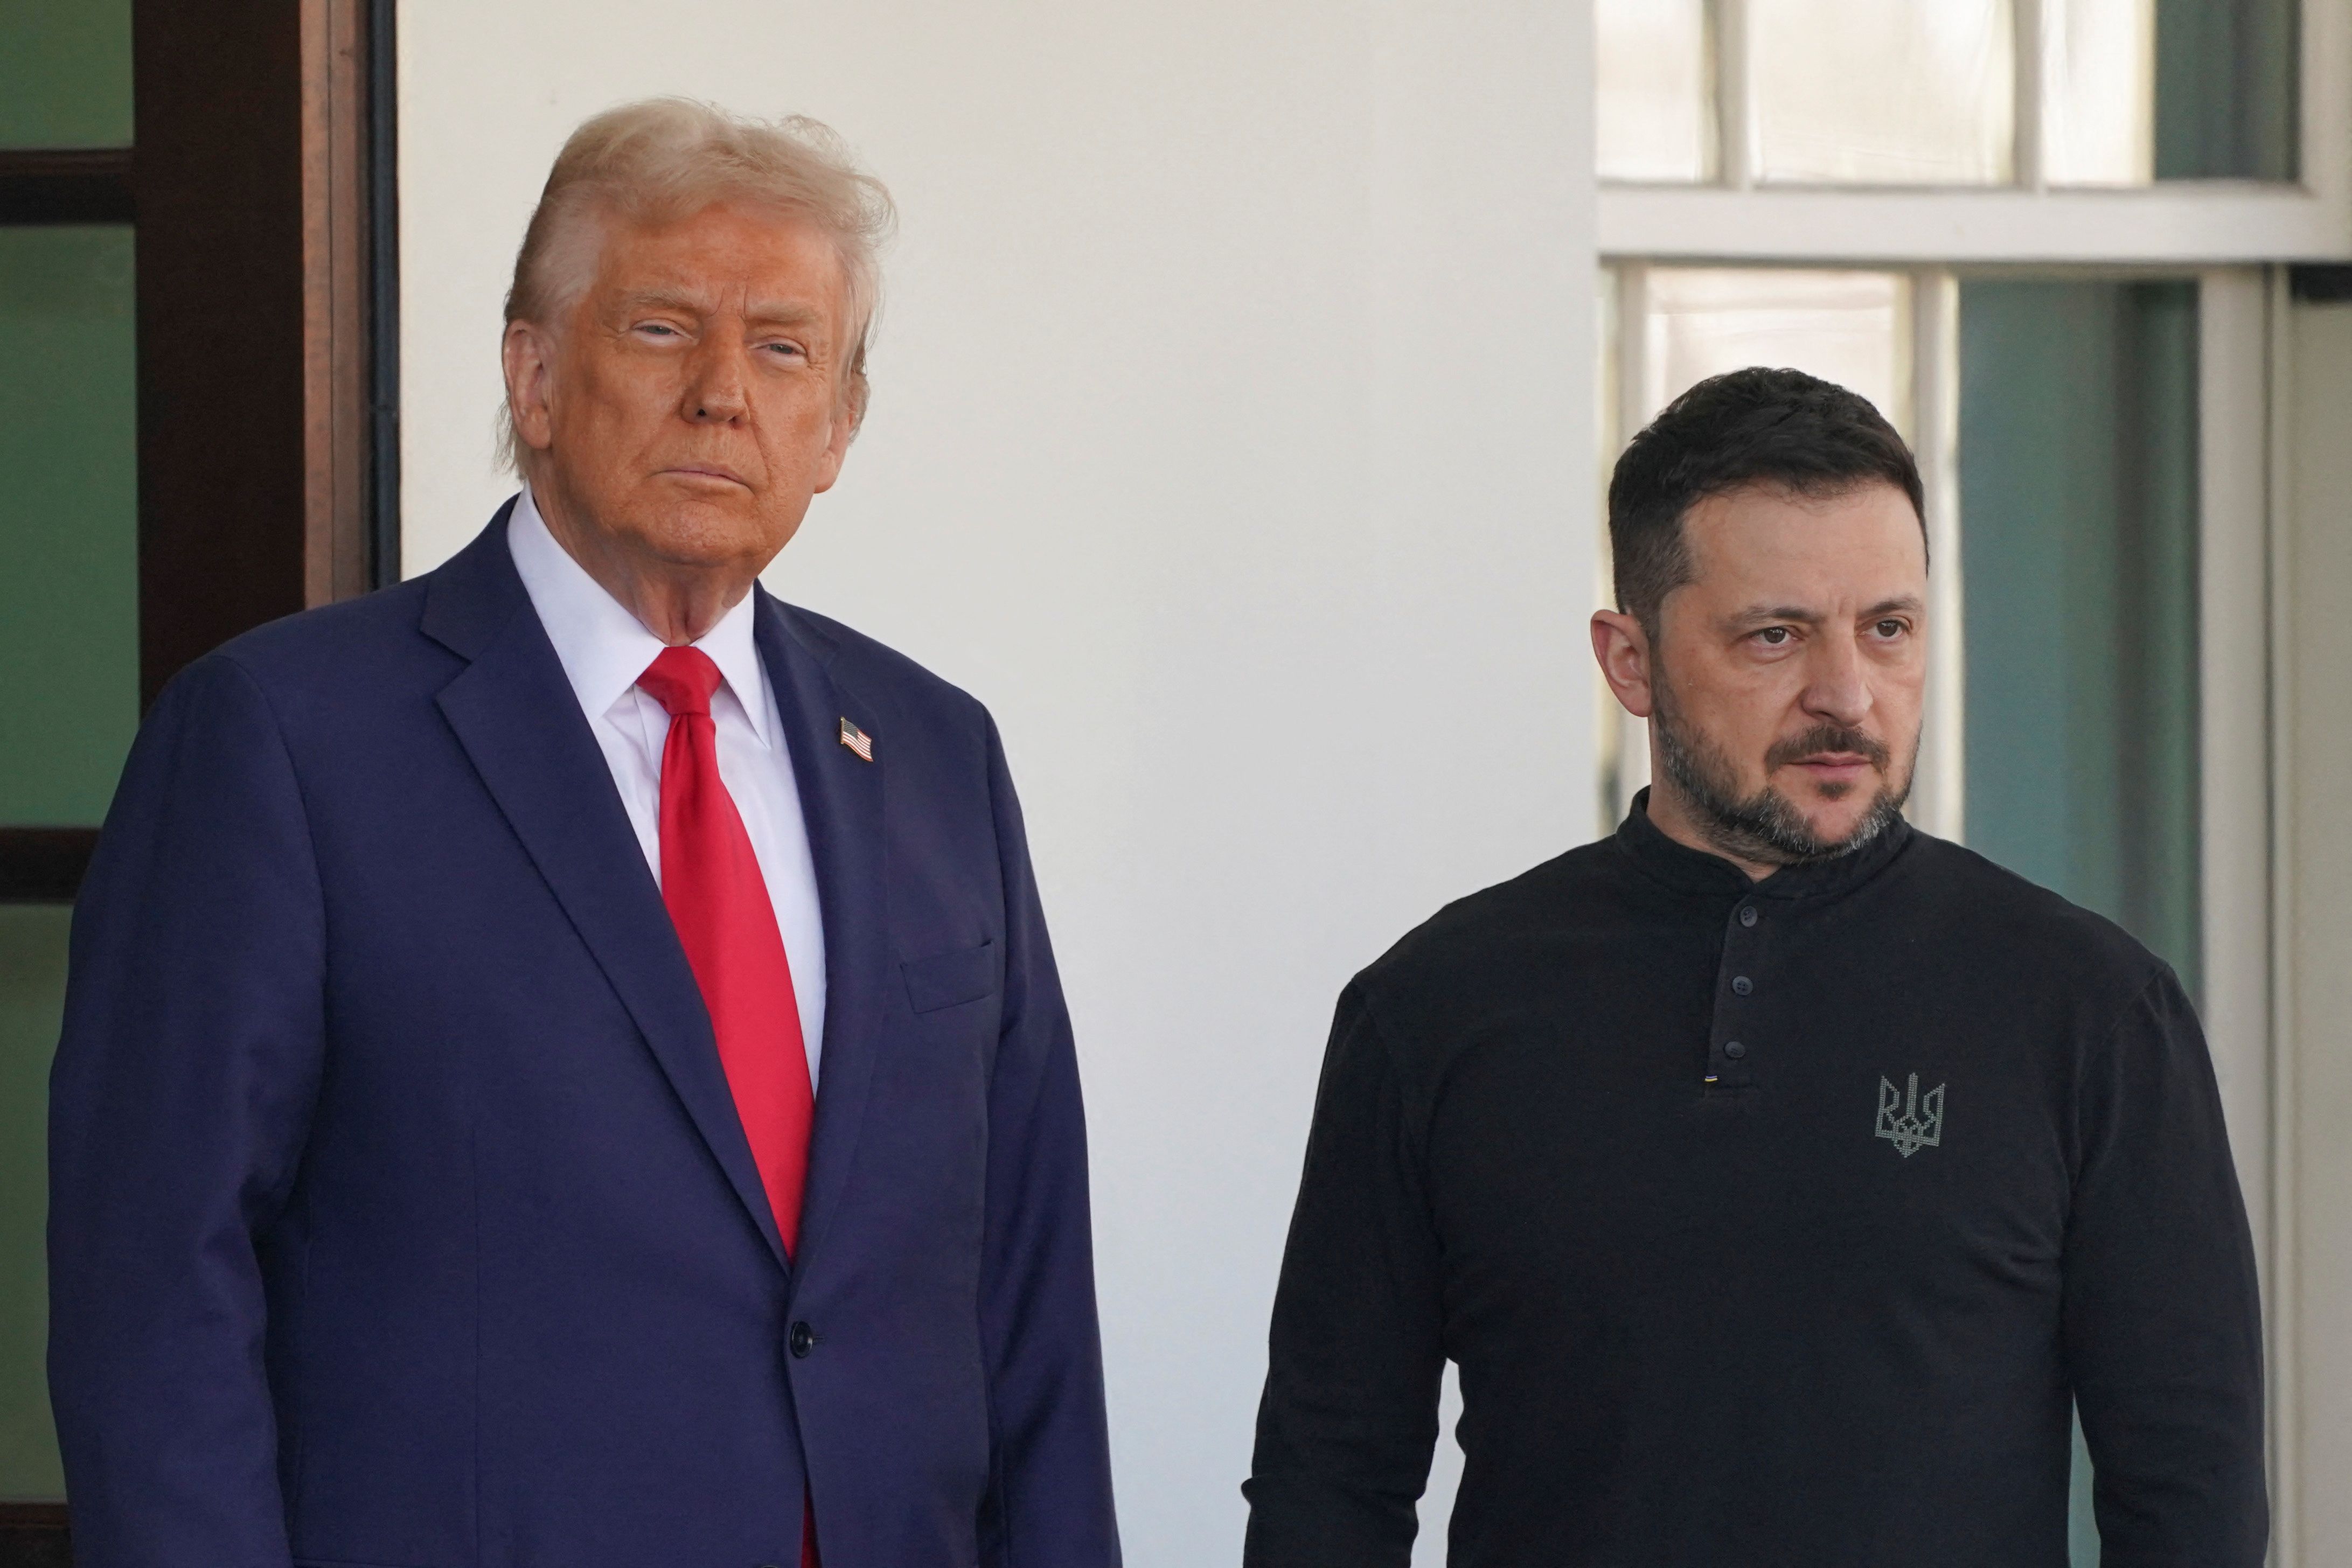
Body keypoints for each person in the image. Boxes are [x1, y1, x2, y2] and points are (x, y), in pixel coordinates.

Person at [49, 99, 1119, 1568]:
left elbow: (1028, 1288)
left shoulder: (938, 756)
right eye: (663, 329)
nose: (723, 394)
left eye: (783, 348)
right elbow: (154, 1294)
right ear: (534, 376)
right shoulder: (280, 743)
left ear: (837, 430)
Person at [1241, 366, 2266, 1566]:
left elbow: (2190, 1495)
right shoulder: (1432, 1009)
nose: (1845, 695)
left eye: (1887, 629)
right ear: (1629, 660)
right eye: (1774, 636)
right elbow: (1329, 1479)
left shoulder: (2090, 1010)